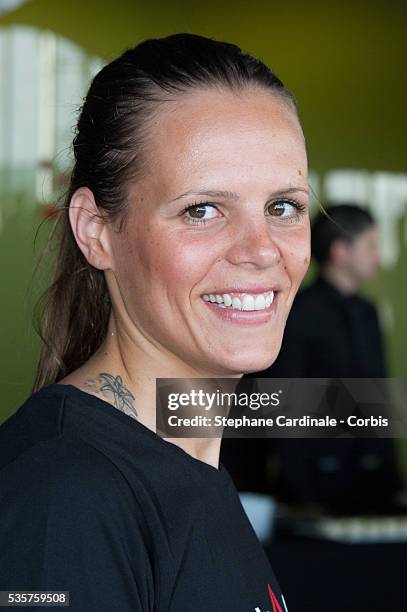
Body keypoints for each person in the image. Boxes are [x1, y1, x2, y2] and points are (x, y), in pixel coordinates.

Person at [0, 33, 311, 611]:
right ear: (96, 230)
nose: (261, 250)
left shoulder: (185, 468)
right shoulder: (64, 499)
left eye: (282, 207)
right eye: (202, 210)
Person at [249, 204, 405, 514]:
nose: (377, 257)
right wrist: (302, 493)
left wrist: (395, 481)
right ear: (340, 251)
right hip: (315, 488)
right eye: (371, 245)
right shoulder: (298, 313)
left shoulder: (368, 313)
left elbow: (378, 400)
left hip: (374, 484)